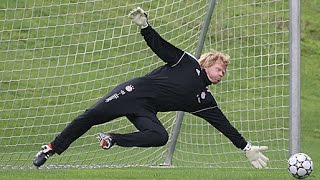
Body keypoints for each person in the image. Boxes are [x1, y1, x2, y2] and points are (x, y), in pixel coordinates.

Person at [33, 7, 269, 169]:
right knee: (91, 116)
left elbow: (224, 125)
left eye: (224, 72)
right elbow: (161, 47)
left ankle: (113, 139)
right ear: (207, 64)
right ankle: (50, 148)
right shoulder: (186, 63)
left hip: (145, 111)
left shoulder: (204, 99)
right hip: (131, 93)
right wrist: (145, 26)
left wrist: (246, 148)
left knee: (160, 137)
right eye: (219, 68)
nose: (222, 74)